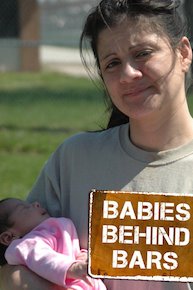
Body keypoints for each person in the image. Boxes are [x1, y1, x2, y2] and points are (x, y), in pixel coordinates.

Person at [1, 0, 193, 289]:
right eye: (112, 63)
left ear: (183, 53)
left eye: (143, 53)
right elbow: (14, 266)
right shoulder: (74, 160)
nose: (128, 74)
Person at [0, 198, 106, 290]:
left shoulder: (49, 231)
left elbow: (71, 250)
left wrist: (82, 256)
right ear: (9, 237)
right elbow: (44, 259)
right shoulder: (27, 244)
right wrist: (73, 268)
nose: (36, 203)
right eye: (24, 208)